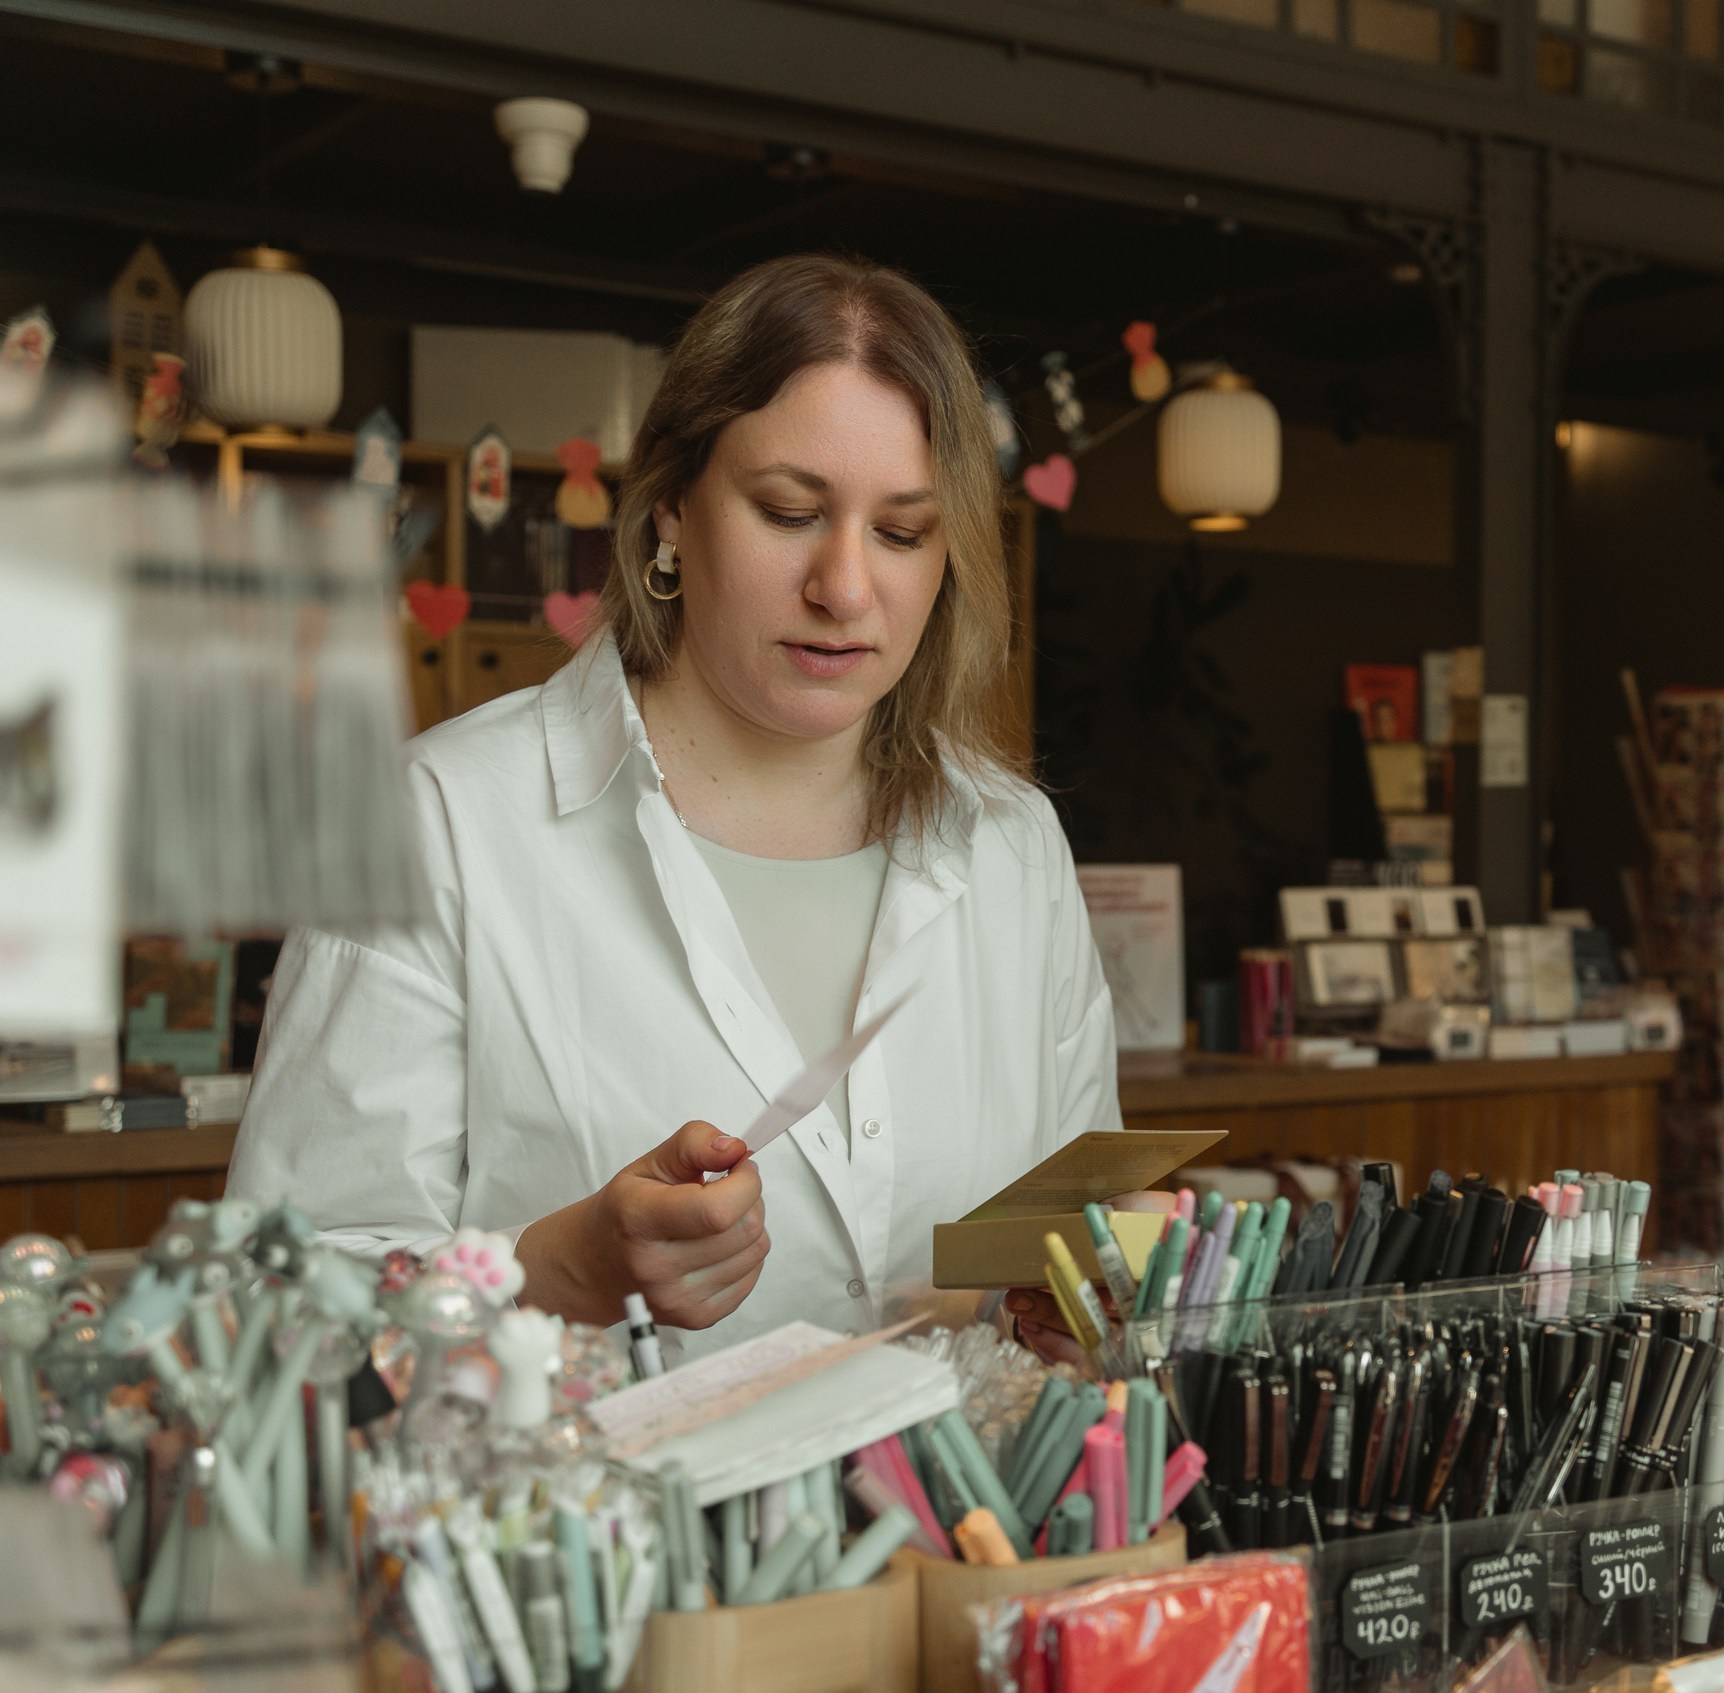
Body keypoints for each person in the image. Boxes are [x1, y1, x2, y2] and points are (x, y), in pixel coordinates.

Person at [232, 255, 1120, 1362]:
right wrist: (561, 1272)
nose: (845, 589)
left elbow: (1079, 1261)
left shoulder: (1011, 846)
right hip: (581, 1531)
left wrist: (1083, 1316)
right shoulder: (439, 824)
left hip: (953, 1534)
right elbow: (285, 1317)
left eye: (901, 533)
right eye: (790, 512)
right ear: (667, 515)